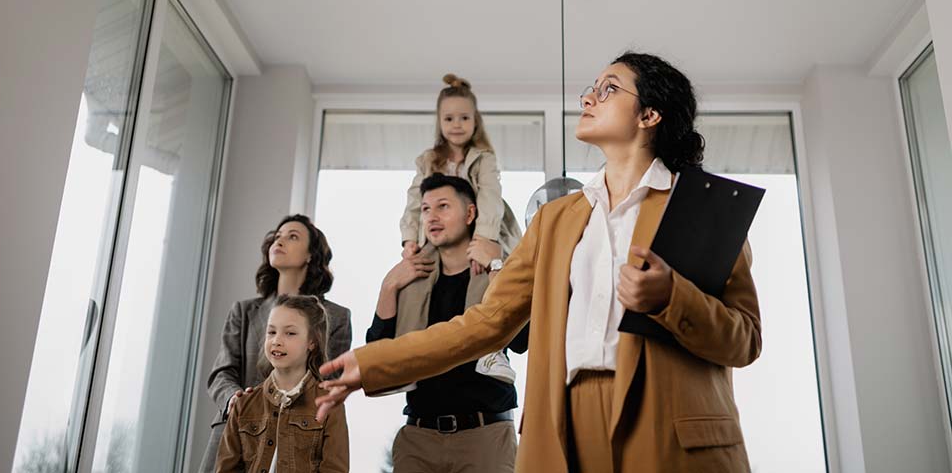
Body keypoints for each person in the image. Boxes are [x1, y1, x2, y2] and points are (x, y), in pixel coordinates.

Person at [317, 52, 762, 473]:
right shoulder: (554, 221)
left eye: (608, 89)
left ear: (649, 115)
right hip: (565, 430)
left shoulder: (705, 206)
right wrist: (374, 361)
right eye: (591, 88)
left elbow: (745, 339)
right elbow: (484, 324)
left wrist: (672, 298)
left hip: (670, 428)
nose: (587, 98)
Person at [369, 174, 528, 472]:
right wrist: (388, 286)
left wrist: (497, 268)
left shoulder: (498, 271)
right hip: (418, 438)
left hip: (486, 436)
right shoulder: (412, 281)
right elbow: (379, 353)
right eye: (426, 209)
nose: (432, 216)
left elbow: (522, 341)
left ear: (470, 214)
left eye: (443, 206)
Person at [200, 214, 352, 473]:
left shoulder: (336, 317)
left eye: (292, 236)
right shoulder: (244, 311)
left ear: (311, 256)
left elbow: (327, 382)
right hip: (237, 433)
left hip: (300, 439)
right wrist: (235, 400)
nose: (279, 240)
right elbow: (222, 373)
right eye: (277, 236)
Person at [400, 73, 522, 275]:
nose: (457, 125)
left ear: (476, 122)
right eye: (449, 119)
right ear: (440, 123)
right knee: (423, 272)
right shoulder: (428, 160)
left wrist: (483, 239)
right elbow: (414, 201)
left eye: (464, 118)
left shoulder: (484, 159)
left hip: (479, 231)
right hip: (441, 236)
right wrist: (410, 239)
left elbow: (489, 197)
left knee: (485, 274)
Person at [216, 295, 348, 472]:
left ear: (312, 342)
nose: (276, 341)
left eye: (290, 333)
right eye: (271, 332)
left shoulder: (330, 405)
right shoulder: (243, 403)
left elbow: (335, 469)